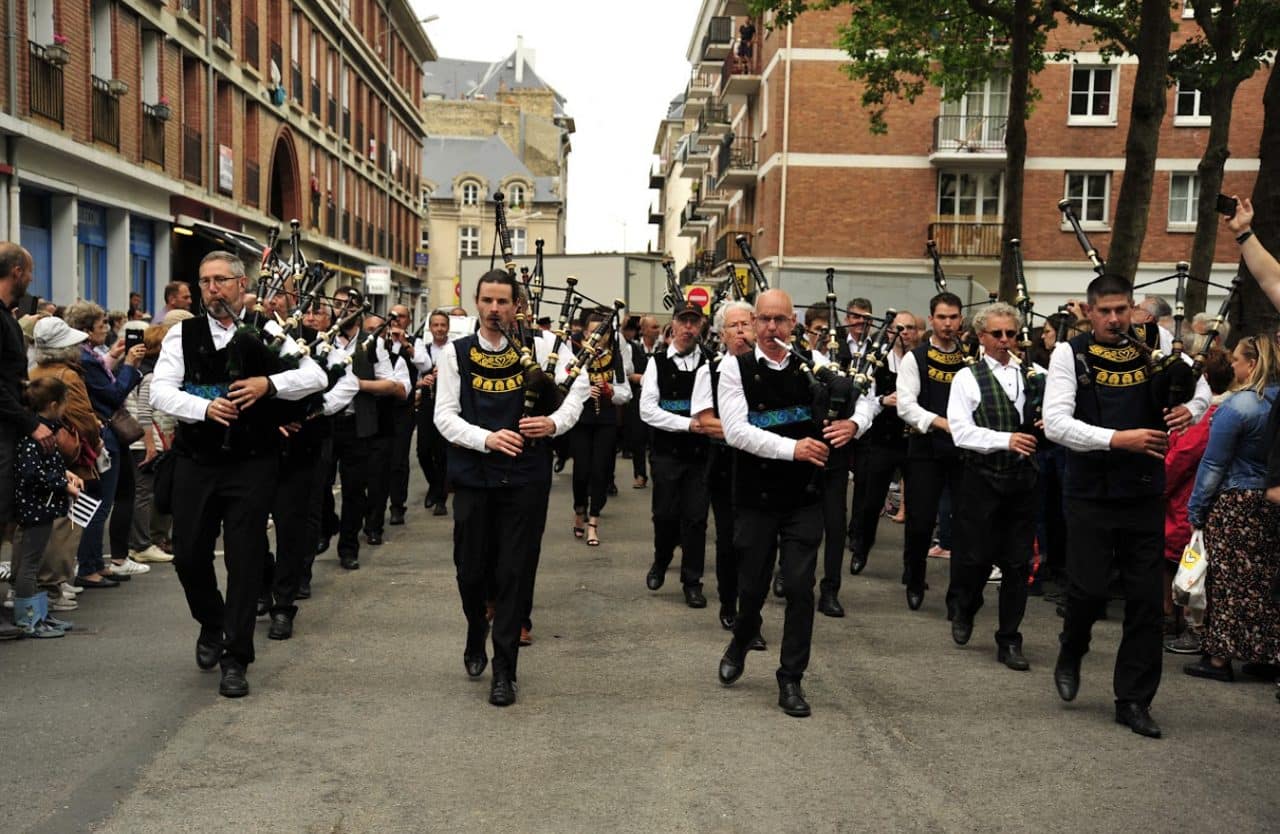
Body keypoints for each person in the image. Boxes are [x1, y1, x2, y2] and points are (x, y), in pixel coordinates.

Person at [150, 250, 327, 698]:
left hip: (253, 462)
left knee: (246, 559)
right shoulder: (182, 335)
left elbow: (316, 376)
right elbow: (161, 393)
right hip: (196, 461)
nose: (211, 289)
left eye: (220, 281)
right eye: (204, 281)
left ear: (241, 285)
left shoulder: (268, 331)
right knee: (189, 555)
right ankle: (212, 622)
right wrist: (205, 408)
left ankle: (237, 658)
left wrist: (270, 384)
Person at [1043, 273, 1209, 738]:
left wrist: (1188, 412)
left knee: (1142, 602)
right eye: (1105, 311)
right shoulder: (1067, 354)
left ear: (1133, 308)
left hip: (1142, 490)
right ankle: (1072, 648)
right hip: (1089, 490)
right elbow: (1055, 423)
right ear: (1090, 312)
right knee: (1089, 590)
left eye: (1122, 310)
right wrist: (1119, 439)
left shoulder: (1157, 344)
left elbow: (1201, 393)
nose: (1115, 319)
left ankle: (1133, 700)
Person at [433, 269, 587, 707]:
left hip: (524, 477)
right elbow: (444, 416)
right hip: (474, 476)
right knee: (470, 570)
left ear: (517, 306)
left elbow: (579, 387)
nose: (495, 309)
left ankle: (505, 671)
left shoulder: (542, 347)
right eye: (488, 301)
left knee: (514, 572)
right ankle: (474, 628)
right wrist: (487, 438)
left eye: (504, 302)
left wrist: (554, 423)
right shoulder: (456, 354)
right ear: (477, 304)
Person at [716, 289, 861, 718]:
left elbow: (863, 396)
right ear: (753, 322)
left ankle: (791, 678)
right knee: (753, 587)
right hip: (756, 496)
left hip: (804, 497)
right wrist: (794, 449)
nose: (772, 329)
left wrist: (854, 422)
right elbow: (736, 432)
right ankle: (742, 638)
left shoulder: (813, 366)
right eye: (764, 320)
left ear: (793, 324)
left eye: (781, 320)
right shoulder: (733, 368)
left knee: (800, 588)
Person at [945, 303, 1042, 671]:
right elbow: (961, 431)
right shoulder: (967, 378)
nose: (1005, 341)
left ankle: (1009, 639)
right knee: (975, 558)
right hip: (981, 478)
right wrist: (1006, 440)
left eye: (1011, 334)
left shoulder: (1034, 374)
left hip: (1023, 480)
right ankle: (966, 608)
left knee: (1018, 563)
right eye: (997, 334)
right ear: (982, 337)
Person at [1182, 335, 1280, 683]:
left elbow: (1213, 465)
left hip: (1237, 500)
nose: (1233, 366)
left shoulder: (1238, 407)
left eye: (1238, 360)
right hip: (1271, 498)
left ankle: (1219, 657)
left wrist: (1197, 510)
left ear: (1252, 364)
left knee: (1225, 581)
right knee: (1264, 579)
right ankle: (1265, 653)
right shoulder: (1276, 402)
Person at [321, 288, 409, 567]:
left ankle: (348, 549)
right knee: (319, 485)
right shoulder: (322, 340)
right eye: (338, 304)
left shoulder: (374, 345)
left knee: (354, 490)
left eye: (350, 305)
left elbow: (391, 384)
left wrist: (356, 384)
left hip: (356, 424)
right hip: (323, 423)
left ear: (360, 309)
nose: (343, 309)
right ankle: (326, 524)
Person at [895, 292, 966, 612]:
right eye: (942, 317)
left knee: (964, 523)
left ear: (960, 320)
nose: (948, 323)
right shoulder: (916, 358)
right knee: (921, 521)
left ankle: (959, 594)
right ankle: (914, 576)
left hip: (964, 451)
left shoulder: (970, 357)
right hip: (925, 449)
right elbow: (906, 407)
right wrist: (940, 422)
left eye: (953, 317)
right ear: (932, 319)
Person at [639, 302, 712, 608]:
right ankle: (661, 559)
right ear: (674, 324)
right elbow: (647, 411)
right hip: (666, 453)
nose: (688, 328)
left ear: (701, 326)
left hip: (700, 455)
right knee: (665, 514)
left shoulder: (711, 362)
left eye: (694, 323)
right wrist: (688, 424)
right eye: (683, 321)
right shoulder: (657, 362)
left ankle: (692, 580)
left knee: (696, 519)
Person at [1161, 348, 1233, 652]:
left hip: (1185, 500)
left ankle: (1184, 623)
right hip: (1187, 497)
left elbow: (1181, 458)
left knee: (1183, 565)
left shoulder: (1210, 418)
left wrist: (1157, 487)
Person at [691, 300, 755, 633]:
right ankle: (730, 603)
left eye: (747, 324)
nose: (742, 331)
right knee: (730, 540)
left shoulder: (766, 367)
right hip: (725, 466)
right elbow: (704, 422)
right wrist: (751, 432)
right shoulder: (710, 370)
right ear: (721, 333)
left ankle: (751, 615)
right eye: (734, 326)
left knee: (757, 541)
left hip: (762, 465)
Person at [0, 244, 52, 639]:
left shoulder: (6, 319)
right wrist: (31, 423)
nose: (32, 279)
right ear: (16, 271)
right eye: (29, 272)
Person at [28, 318, 101, 601]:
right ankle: (54, 582)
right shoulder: (69, 376)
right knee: (67, 521)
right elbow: (85, 420)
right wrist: (95, 440)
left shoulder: (33, 370)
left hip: (42, 450)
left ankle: (51, 581)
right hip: (70, 456)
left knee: (44, 520)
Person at [10, 377, 84, 638]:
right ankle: (27, 617)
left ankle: (38, 612)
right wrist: (63, 485)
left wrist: (65, 475)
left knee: (35, 559)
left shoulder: (42, 431)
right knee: (30, 563)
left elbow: (47, 466)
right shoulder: (36, 437)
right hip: (35, 507)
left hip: (41, 506)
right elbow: (33, 473)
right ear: (54, 405)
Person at [848, 310, 918, 575]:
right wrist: (882, 401)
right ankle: (861, 548)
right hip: (882, 439)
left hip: (912, 441)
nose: (905, 333)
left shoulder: (920, 360)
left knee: (918, 506)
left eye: (910, 328)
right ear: (889, 331)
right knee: (871, 500)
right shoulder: (877, 362)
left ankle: (913, 568)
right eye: (899, 328)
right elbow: (862, 398)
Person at [568, 308, 632, 547]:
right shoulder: (575, 354)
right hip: (581, 419)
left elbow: (625, 393)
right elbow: (564, 383)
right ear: (585, 333)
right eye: (593, 332)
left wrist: (609, 390)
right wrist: (586, 389)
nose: (598, 337)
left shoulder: (614, 356)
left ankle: (593, 522)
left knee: (600, 471)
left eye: (602, 333)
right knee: (581, 470)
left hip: (605, 419)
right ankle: (579, 508)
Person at [124, 324, 175, 564]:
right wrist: (150, 444)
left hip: (146, 440)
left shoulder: (143, 371)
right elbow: (144, 411)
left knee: (145, 492)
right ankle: (141, 544)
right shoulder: (151, 375)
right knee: (143, 493)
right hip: (146, 442)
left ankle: (144, 542)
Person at [416, 310, 452, 515]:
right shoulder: (425, 350)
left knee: (442, 453)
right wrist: (424, 381)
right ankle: (434, 484)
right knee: (423, 451)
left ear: (448, 328)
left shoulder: (454, 349)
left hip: (446, 403)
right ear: (430, 328)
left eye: (443, 325)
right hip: (428, 403)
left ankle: (441, 498)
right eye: (436, 325)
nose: (439, 329)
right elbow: (414, 377)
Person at [626, 314, 660, 489]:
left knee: (655, 437)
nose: (658, 330)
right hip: (638, 395)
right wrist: (646, 379)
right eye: (654, 327)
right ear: (644, 330)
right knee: (638, 437)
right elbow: (628, 374)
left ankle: (657, 473)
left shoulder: (663, 347)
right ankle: (639, 474)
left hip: (658, 397)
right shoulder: (633, 348)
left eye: (658, 327)